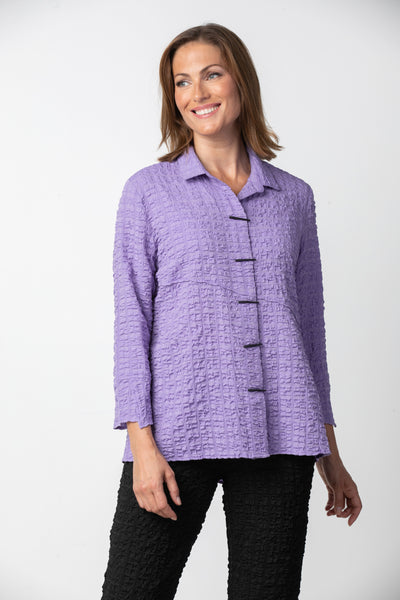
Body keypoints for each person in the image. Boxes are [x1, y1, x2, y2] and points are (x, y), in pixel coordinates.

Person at [101, 22, 362, 600]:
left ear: (240, 81)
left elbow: (309, 331)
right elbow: (131, 320)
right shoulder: (149, 192)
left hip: (283, 435)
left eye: (211, 74)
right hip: (177, 433)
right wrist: (141, 446)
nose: (197, 93)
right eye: (182, 81)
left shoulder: (294, 197)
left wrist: (330, 452)